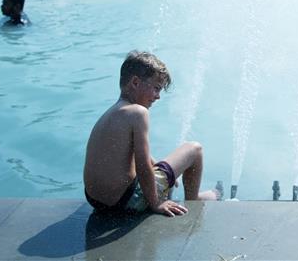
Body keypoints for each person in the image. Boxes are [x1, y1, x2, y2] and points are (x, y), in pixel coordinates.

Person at [83, 50, 220, 215]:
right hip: (126, 201)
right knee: (194, 149)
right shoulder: (138, 113)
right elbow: (142, 165)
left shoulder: (113, 112)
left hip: (97, 202)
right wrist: (156, 203)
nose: (157, 97)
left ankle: (164, 187)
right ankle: (194, 199)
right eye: (156, 89)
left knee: (158, 167)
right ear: (135, 82)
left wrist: (158, 167)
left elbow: (131, 153)